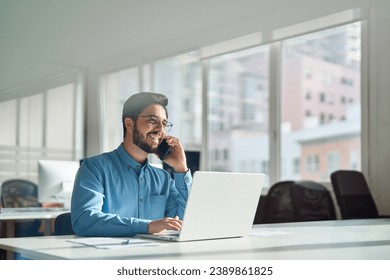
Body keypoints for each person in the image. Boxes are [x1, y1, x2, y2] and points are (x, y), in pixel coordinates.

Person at [71, 92, 192, 237]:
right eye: (153, 121)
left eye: (164, 123)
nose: (161, 130)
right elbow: (84, 220)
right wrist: (147, 226)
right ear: (129, 124)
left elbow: (186, 222)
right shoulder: (94, 168)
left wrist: (181, 168)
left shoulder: (163, 179)